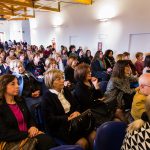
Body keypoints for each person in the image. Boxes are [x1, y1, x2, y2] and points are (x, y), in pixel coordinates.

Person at [42, 69, 96, 150]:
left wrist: (76, 112)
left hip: (75, 122)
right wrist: (67, 118)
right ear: (51, 82)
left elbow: (76, 105)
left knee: (94, 135)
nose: (63, 80)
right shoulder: (47, 97)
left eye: (62, 77)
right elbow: (49, 120)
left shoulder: (65, 90)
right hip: (61, 127)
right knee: (82, 143)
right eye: (59, 79)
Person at [0, 74, 56, 150]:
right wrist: (28, 134)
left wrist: (33, 126)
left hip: (28, 134)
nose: (17, 86)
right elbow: (4, 134)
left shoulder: (20, 100)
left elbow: (30, 118)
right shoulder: (1, 107)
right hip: (12, 140)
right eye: (13, 84)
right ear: (3, 86)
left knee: (48, 140)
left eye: (17, 83)